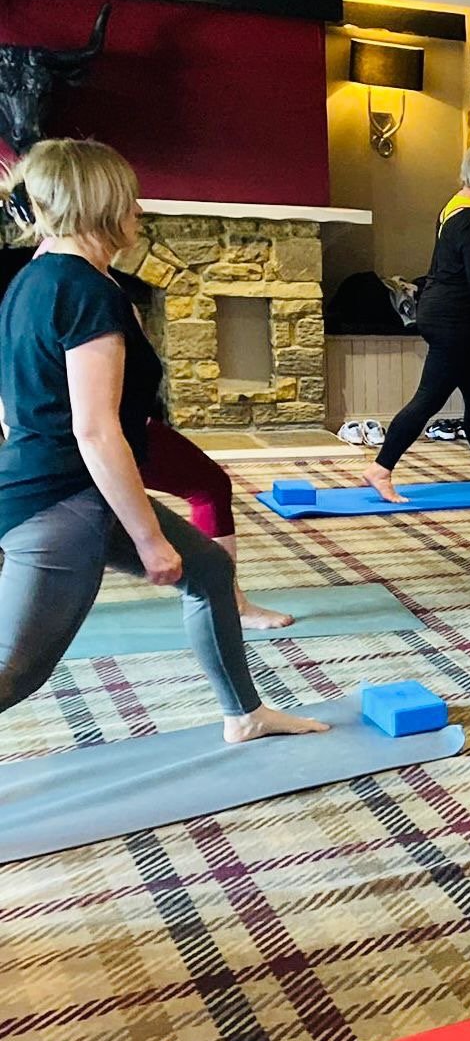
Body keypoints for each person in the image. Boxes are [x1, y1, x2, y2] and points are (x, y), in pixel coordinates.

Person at [0, 138, 327, 742]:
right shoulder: (84, 292)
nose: (139, 212)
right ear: (100, 206)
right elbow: (95, 431)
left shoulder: (35, 279)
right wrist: (149, 541)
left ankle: (245, 714)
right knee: (14, 672)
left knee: (205, 568)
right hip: (61, 505)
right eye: (129, 200)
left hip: (71, 491)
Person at [366, 141, 470, 503]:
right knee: (430, 397)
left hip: (443, 312)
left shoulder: (455, 208)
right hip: (451, 319)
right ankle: (381, 468)